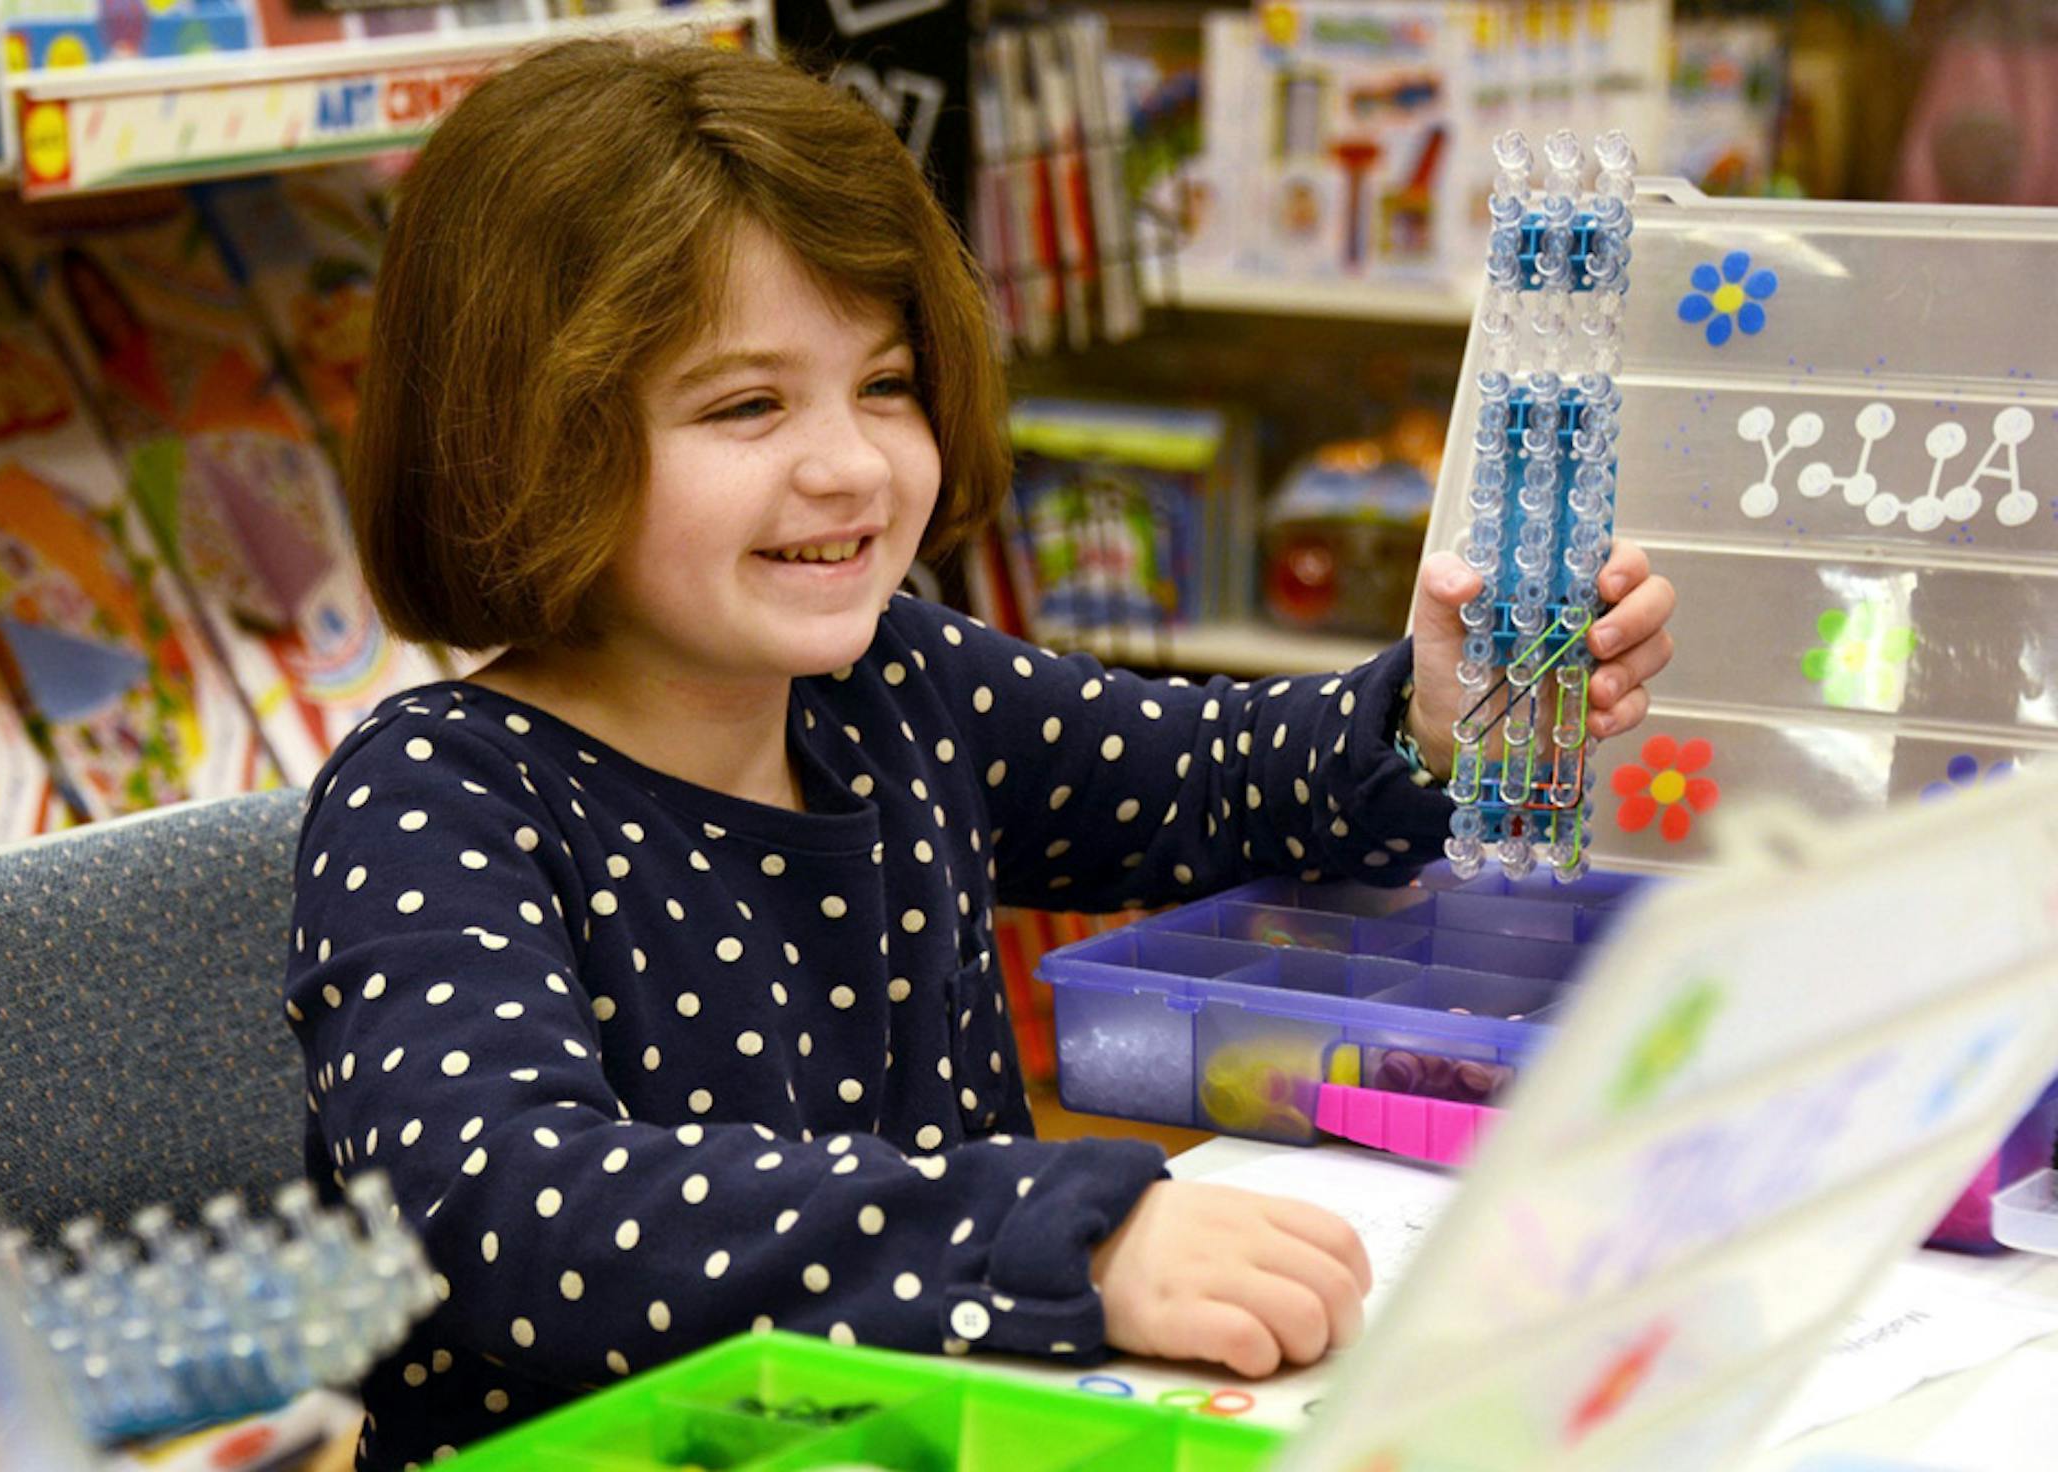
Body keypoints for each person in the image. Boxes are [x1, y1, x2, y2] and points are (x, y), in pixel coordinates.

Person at [284, 39, 1676, 1469]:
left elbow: (1204, 777)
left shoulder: (900, 683)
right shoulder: (436, 794)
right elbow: (513, 1213)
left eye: (884, 384)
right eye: (746, 405)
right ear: (525, 440)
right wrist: (1048, 1237)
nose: (852, 465)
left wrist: (1425, 718)